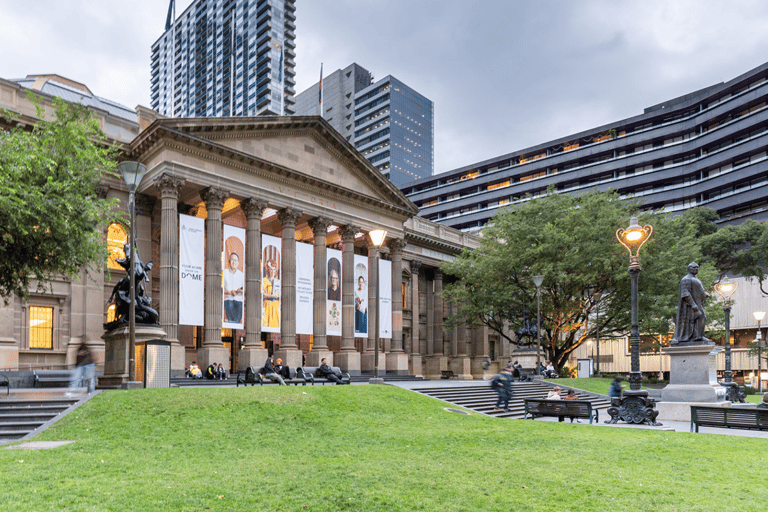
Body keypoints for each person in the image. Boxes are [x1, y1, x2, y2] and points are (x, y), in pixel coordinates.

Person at [670, 262, 711, 344]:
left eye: (697, 267)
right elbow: (685, 294)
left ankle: (698, 336)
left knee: (702, 318)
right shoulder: (686, 279)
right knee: (699, 318)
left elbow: (699, 290)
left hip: (699, 303)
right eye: (694, 267)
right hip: (690, 306)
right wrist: (693, 305)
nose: (696, 269)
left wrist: (705, 294)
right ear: (689, 269)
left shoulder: (696, 279)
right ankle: (693, 336)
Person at [223, 252, 244, 323]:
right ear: (229, 261)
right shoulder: (224, 273)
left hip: (239, 300)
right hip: (229, 299)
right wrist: (229, 292)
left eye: (236, 260)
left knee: (236, 321)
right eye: (232, 260)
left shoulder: (242, 275)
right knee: (229, 305)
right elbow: (220, 288)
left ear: (238, 262)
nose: (234, 262)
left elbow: (245, 289)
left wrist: (240, 291)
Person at [262, 259, 280, 328]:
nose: (272, 271)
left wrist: (277, 296)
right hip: (267, 305)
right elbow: (263, 294)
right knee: (265, 325)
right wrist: (272, 296)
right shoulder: (264, 280)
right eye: (271, 269)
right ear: (268, 270)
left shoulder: (278, 282)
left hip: (275, 306)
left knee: (275, 325)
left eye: (274, 269)